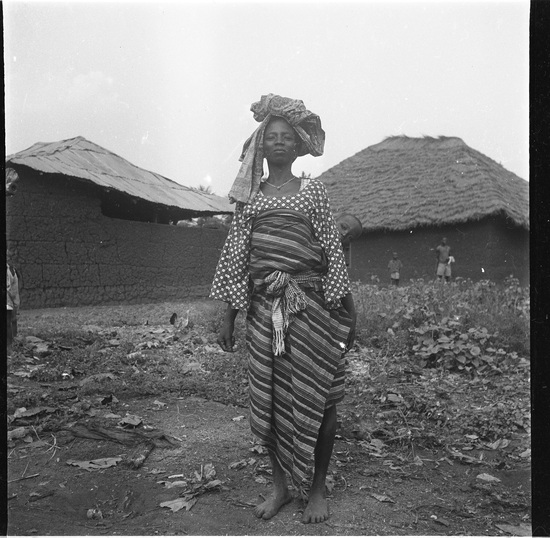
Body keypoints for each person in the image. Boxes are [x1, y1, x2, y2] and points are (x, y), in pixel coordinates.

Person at [211, 94, 356, 524]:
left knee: (323, 397)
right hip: (263, 313)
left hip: (311, 310)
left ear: (297, 146)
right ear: (261, 144)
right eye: (271, 137)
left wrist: (350, 312)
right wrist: (229, 317)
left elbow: (331, 249)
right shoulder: (249, 198)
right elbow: (237, 256)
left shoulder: (313, 192)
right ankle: (279, 488)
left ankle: (316, 490)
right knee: (269, 400)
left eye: (286, 137)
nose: (278, 143)